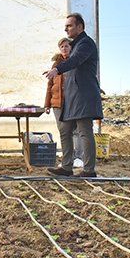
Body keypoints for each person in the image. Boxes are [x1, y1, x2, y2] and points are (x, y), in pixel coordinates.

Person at [43, 13, 102, 178]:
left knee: (85, 131)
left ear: (80, 27)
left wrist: (57, 69)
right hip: (73, 97)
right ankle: (66, 166)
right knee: (65, 130)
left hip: (83, 96)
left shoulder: (85, 43)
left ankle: (89, 170)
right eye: (66, 26)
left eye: (69, 25)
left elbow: (75, 61)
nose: (65, 28)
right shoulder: (77, 45)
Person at [44, 37, 84, 169]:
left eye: (67, 46)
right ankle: (67, 158)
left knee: (77, 130)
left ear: (71, 48)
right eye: (62, 46)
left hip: (73, 102)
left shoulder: (75, 62)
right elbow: (50, 85)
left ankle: (79, 158)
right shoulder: (55, 65)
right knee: (63, 131)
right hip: (57, 103)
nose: (64, 48)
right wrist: (47, 104)